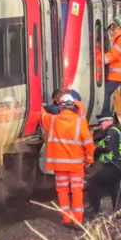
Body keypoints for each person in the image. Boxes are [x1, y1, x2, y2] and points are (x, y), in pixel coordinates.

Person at [40, 94, 95, 228]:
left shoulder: (53, 120)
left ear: (61, 106)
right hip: (76, 165)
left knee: (62, 191)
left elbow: (41, 116)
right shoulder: (79, 121)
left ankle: (67, 219)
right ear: (73, 106)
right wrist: (89, 158)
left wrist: (43, 107)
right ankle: (78, 220)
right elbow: (88, 142)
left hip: (59, 166)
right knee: (77, 191)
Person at [85, 113, 121, 219]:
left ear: (110, 122)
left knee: (93, 182)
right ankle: (119, 211)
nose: (101, 125)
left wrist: (97, 149)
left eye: (102, 123)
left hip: (114, 165)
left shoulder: (111, 132)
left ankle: (94, 209)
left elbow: (108, 148)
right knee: (115, 187)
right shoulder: (116, 131)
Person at [101, 13, 121, 115]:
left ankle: (105, 114)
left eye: (113, 25)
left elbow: (114, 55)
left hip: (119, 74)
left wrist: (98, 60)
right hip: (120, 73)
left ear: (117, 26)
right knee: (108, 92)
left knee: (105, 92)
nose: (111, 28)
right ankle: (106, 114)